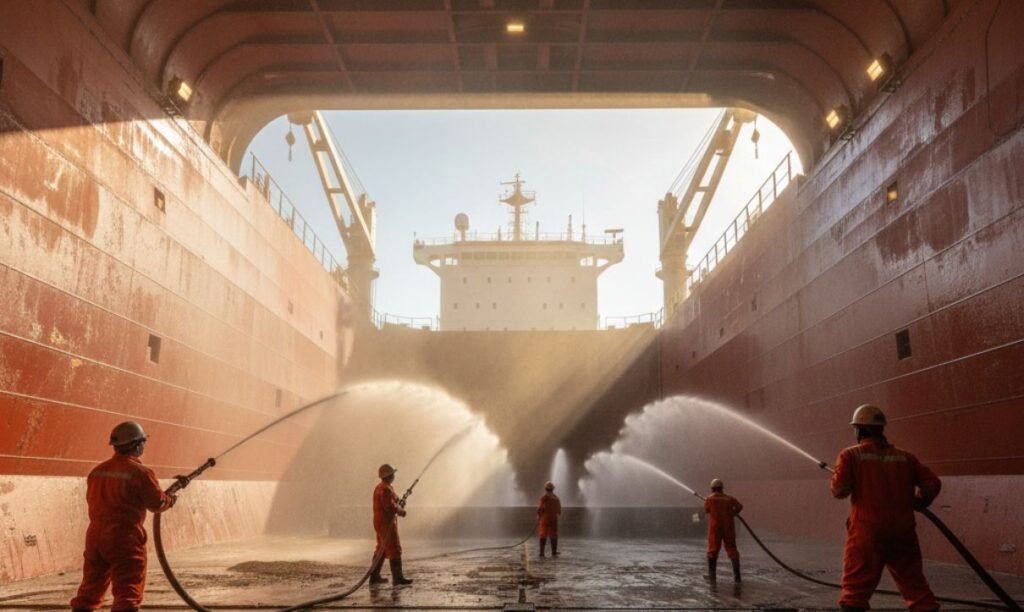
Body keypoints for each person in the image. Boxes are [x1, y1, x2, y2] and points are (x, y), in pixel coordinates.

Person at [831, 404, 942, 612]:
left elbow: (839, 490)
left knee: (855, 591)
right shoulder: (906, 458)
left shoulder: (850, 455)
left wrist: (843, 477)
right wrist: (920, 501)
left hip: (867, 532)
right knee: (915, 586)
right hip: (903, 532)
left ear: (859, 430)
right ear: (881, 429)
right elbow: (932, 483)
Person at [70, 421, 176, 612]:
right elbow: (156, 504)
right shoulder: (140, 473)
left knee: (91, 587)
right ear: (136, 444)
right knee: (128, 590)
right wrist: (170, 500)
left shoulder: (97, 471)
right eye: (143, 442)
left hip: (94, 536)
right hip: (124, 538)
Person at [369, 464, 412, 586]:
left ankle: (374, 576)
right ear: (389, 475)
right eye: (393, 474)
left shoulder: (382, 487)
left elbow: (394, 499)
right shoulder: (385, 489)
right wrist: (400, 511)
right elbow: (389, 507)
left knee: (381, 549)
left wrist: (401, 500)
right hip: (386, 523)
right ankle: (398, 578)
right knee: (394, 548)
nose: (394, 476)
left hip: (380, 522)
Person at [704, 478, 743, 582]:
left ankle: (712, 575)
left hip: (715, 527)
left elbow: (707, 510)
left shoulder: (710, 499)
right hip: (728, 527)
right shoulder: (729, 499)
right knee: (732, 549)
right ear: (722, 488)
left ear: (712, 488)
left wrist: (709, 502)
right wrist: (733, 513)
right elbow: (739, 506)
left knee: (713, 550)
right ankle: (737, 576)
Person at [537, 481, 562, 557]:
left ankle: (542, 553)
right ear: (553, 489)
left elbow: (540, 508)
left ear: (545, 489)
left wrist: (538, 516)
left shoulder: (544, 498)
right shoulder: (556, 498)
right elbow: (559, 511)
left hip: (544, 519)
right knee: (553, 535)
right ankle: (554, 552)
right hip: (553, 519)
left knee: (543, 534)